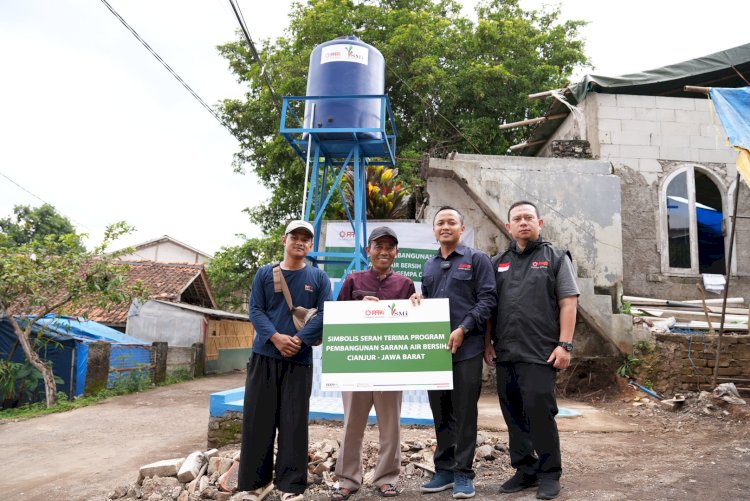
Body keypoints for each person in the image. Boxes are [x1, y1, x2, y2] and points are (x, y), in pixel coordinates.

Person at [484, 201, 579, 500]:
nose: (523, 222)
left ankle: (550, 473)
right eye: (517, 219)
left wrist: (565, 344)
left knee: (540, 411)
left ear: (540, 223)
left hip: (541, 352)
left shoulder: (556, 257)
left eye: (528, 218)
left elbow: (568, 302)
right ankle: (526, 469)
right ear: (508, 226)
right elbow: (490, 306)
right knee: (512, 412)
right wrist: (487, 342)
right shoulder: (497, 261)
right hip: (506, 352)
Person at [238, 220, 332, 501]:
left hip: (300, 359)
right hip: (265, 355)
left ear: (311, 244)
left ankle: (291, 485)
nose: (300, 242)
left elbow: (327, 315)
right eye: (295, 237)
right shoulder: (265, 274)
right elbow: (255, 309)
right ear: (284, 240)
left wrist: (300, 340)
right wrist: (277, 338)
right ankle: (254, 483)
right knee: (258, 420)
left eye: (306, 238)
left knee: (294, 422)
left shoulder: (318, 278)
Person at [410, 206, 497, 499]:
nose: (445, 227)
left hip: (468, 349)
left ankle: (464, 474)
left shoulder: (477, 259)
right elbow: (428, 302)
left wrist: (464, 328)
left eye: (451, 222)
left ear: (462, 228)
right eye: (440, 223)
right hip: (436, 352)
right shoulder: (429, 265)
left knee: (464, 411)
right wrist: (418, 298)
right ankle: (444, 470)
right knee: (441, 411)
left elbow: (487, 300)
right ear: (434, 231)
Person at [331, 226, 416, 500]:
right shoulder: (353, 280)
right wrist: (358, 308)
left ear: (396, 253)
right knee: (352, 425)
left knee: (390, 427)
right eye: (378, 246)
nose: (384, 251)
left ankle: (386, 478)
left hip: (390, 368)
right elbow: (336, 320)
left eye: (389, 247)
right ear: (368, 250)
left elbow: (411, 325)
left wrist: (418, 304)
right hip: (356, 366)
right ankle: (347, 479)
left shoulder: (406, 285)